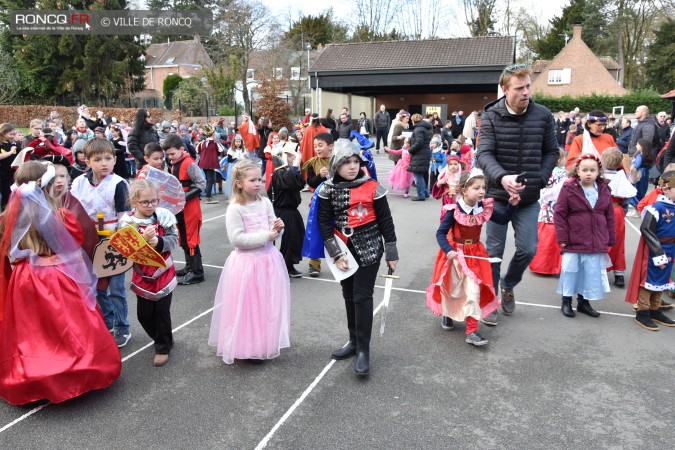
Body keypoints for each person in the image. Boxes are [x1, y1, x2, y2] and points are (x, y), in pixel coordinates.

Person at [0, 179, 121, 405]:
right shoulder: (59, 216)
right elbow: (75, 240)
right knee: (69, 324)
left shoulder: (10, 217)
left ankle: (35, 373)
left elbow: (5, 247)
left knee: (33, 329)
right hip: (57, 274)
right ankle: (78, 370)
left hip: (25, 278)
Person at [475, 64, 559, 325]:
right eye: (519, 88)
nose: (526, 92)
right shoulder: (490, 116)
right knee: (494, 251)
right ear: (505, 89)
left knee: (528, 248)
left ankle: (508, 284)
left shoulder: (543, 115)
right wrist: (502, 177)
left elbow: (551, 152)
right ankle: (488, 302)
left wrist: (541, 177)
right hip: (498, 195)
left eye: (528, 86)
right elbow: (483, 154)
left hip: (528, 197)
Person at [317, 139, 398, 376]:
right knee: (348, 293)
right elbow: (323, 222)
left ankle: (363, 349)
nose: (352, 166)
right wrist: (336, 253)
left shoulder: (373, 187)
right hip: (342, 249)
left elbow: (386, 222)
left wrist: (392, 253)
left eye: (356, 162)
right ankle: (353, 342)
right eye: (346, 162)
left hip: (370, 246)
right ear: (335, 165)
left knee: (362, 296)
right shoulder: (327, 189)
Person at [208, 160, 290, 364]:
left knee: (266, 304)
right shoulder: (235, 209)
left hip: (268, 260)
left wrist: (279, 228)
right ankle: (247, 345)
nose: (258, 183)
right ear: (238, 183)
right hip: (247, 264)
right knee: (247, 306)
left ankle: (262, 343)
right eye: (252, 180)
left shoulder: (265, 202)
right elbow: (237, 240)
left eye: (260, 179)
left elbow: (274, 230)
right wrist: (268, 235)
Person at [426, 169, 520, 346]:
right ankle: (448, 314)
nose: (482, 191)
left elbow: (503, 219)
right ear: (464, 190)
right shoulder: (453, 210)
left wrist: (512, 205)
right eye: (476, 188)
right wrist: (449, 251)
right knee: (452, 288)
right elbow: (440, 233)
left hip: (475, 254)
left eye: (483, 187)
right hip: (455, 254)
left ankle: (472, 331)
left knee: (472, 290)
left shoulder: (483, 207)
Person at [69, 138, 132, 347]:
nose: (104, 163)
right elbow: (73, 210)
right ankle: (108, 319)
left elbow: (125, 215)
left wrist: (118, 235)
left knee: (116, 288)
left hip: (113, 240)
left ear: (115, 160)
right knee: (96, 287)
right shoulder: (78, 182)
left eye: (108, 158)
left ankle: (123, 326)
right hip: (88, 240)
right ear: (87, 161)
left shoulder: (119, 184)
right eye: (98, 159)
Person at [119, 180, 178, 366]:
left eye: (154, 201)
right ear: (134, 202)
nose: (150, 205)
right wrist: (142, 240)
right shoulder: (127, 222)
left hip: (163, 273)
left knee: (161, 312)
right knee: (143, 315)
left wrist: (159, 242)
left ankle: (162, 346)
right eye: (145, 202)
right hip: (142, 275)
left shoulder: (163, 217)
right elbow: (125, 249)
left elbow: (174, 240)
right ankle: (163, 337)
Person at [554, 154, 615, 318]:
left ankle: (583, 302)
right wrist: (563, 238)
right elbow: (559, 214)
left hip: (595, 239)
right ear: (578, 171)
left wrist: (610, 237)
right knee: (570, 270)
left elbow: (609, 215)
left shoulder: (604, 189)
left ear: (598, 172)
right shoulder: (569, 189)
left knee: (590, 271)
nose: (589, 173)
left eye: (592, 170)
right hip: (574, 238)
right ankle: (566, 301)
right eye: (585, 170)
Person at [625, 170, 675, 330]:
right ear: (666, 189)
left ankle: (655, 310)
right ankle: (643, 311)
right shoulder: (656, 208)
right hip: (656, 250)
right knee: (649, 281)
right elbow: (646, 229)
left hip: (670, 249)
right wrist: (658, 252)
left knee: (662, 281)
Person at [163, 134, 205, 285]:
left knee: (191, 238)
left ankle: (197, 272)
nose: (170, 157)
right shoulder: (174, 164)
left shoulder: (189, 164)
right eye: (167, 155)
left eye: (172, 154)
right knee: (184, 237)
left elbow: (201, 184)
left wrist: (184, 196)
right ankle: (189, 267)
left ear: (181, 149)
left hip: (190, 207)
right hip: (179, 208)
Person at [600, 148, 636, 288]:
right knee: (618, 243)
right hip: (617, 212)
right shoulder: (622, 177)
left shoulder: (598, 176)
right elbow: (625, 199)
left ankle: (600, 270)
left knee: (599, 241)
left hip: (601, 211)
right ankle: (619, 273)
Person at [528, 150, 567, 275]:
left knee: (542, 237)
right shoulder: (563, 174)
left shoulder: (540, 171)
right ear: (560, 160)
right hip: (557, 207)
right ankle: (554, 265)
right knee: (555, 238)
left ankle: (540, 265)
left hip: (543, 207)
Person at [267, 150, 305, 277]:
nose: (292, 158)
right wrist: (295, 165)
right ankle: (281, 268)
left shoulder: (287, 172)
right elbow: (289, 181)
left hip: (291, 211)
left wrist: (296, 167)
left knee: (294, 240)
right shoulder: (279, 173)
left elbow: (300, 183)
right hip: (282, 212)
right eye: (289, 156)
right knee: (285, 241)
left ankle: (289, 266)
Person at [301, 132, 334, 278]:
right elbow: (310, 183)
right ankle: (314, 264)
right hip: (320, 202)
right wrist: (320, 176)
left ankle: (344, 260)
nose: (317, 148)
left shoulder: (340, 160)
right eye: (315, 146)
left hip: (338, 202)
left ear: (331, 146)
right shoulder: (313, 162)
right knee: (316, 232)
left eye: (320, 145)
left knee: (341, 232)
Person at [196, 124, 225, 204]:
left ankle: (207, 194)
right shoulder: (215, 143)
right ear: (213, 133)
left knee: (207, 179)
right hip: (211, 163)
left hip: (203, 163)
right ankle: (208, 196)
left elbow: (197, 151)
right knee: (210, 180)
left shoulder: (202, 143)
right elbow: (221, 150)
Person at [431, 154, 465, 219]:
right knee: (447, 216)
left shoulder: (462, 175)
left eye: (455, 164)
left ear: (459, 165)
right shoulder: (445, 175)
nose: (453, 166)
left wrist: (460, 188)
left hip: (460, 199)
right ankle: (447, 228)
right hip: (447, 199)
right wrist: (439, 183)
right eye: (451, 164)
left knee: (458, 216)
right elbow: (438, 189)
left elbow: (469, 187)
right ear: (447, 166)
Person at [626, 138, 654, 216]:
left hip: (638, 175)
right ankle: (639, 208)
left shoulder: (640, 156)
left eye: (637, 144)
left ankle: (637, 208)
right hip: (645, 175)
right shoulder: (648, 156)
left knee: (634, 191)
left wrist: (633, 163)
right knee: (641, 192)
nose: (636, 146)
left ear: (642, 146)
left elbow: (636, 166)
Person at [408, 113, 432, 201]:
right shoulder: (425, 128)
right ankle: (425, 193)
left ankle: (421, 195)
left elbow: (419, 142)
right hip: (425, 153)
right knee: (421, 175)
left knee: (418, 176)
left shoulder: (418, 129)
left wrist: (410, 150)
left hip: (419, 154)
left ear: (414, 120)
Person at [0, 123, 18, 211]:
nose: (13, 136)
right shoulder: (2, 146)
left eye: (14, 134)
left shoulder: (13, 145)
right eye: (11, 134)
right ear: (3, 133)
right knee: (5, 192)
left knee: (14, 190)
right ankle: (4, 209)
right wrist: (11, 152)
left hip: (14, 173)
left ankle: (13, 207)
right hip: (3, 173)